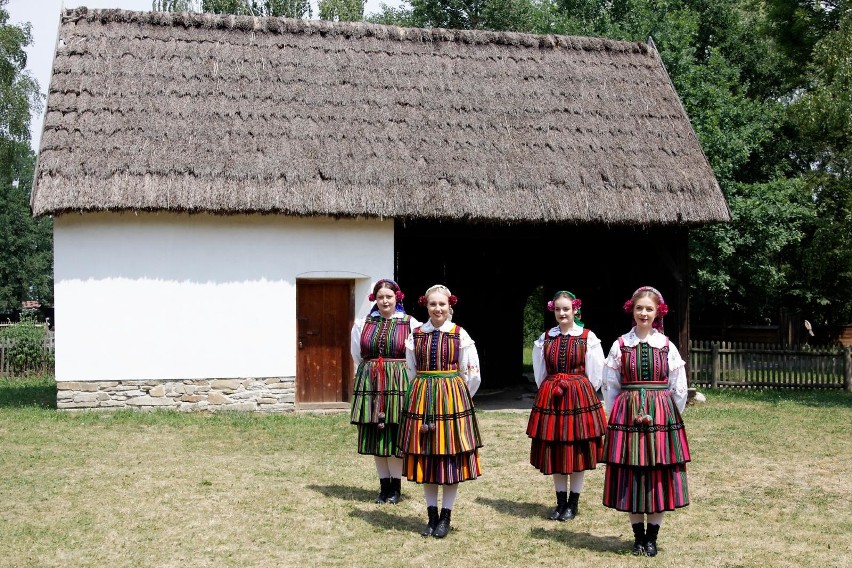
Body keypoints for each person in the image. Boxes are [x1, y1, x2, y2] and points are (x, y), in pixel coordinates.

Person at [602, 286, 691, 557]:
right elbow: (610, 385)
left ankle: (652, 537)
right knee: (632, 471)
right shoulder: (620, 345)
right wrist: (616, 414)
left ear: (657, 312)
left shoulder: (667, 346)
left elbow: (679, 386)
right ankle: (637, 537)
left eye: (649, 309)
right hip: (628, 414)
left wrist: (668, 415)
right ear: (633, 310)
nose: (644, 313)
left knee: (657, 473)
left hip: (661, 416)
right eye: (639, 308)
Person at [397, 284, 483, 539]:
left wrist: (457, 398)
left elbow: (471, 373)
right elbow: (411, 370)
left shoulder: (459, 334)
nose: (437, 309)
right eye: (433, 304)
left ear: (450, 306)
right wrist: (422, 392)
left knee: (449, 456)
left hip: (452, 399)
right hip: (423, 397)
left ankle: (446, 516)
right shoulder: (416, 335)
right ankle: (431, 515)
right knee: (428, 456)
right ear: (426, 305)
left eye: (442, 304)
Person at [526, 290, 607, 521]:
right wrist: (550, 388)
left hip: (577, 397)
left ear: (575, 310)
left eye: (566, 309)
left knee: (577, 451)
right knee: (557, 450)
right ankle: (560, 502)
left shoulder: (587, 337)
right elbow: (540, 372)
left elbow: (595, 374)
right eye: (558, 309)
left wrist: (579, 390)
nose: (562, 313)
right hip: (552, 397)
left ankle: (573, 503)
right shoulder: (545, 338)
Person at [350, 279, 419, 504]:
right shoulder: (363, 323)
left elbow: (414, 358)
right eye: (380, 297)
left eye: (389, 296)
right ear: (375, 299)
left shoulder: (410, 324)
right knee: (375, 434)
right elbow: (357, 355)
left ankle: (396, 488)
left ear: (397, 298)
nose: (385, 300)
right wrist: (371, 372)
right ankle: (384, 486)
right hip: (371, 382)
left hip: (398, 383)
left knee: (394, 434)